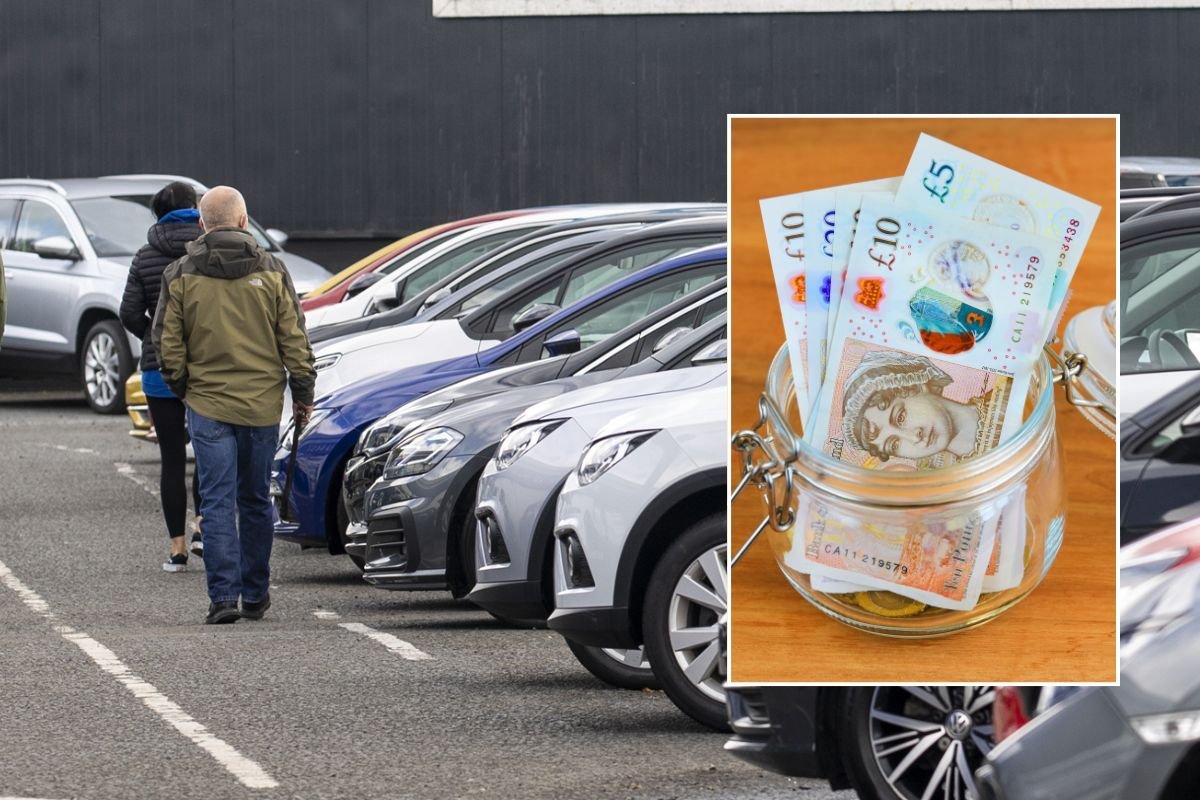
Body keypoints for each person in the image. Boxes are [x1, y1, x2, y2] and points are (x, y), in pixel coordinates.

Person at [152, 186, 315, 625]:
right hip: (261, 404)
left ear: (203, 225)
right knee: (256, 499)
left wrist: (183, 386)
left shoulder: (181, 273)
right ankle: (256, 594)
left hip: (207, 403)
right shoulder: (273, 270)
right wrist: (302, 392)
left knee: (217, 501)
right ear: (244, 221)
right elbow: (294, 340)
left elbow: (166, 342)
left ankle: (223, 597)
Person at [119, 182, 204, 572]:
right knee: (208, 453)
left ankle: (176, 549)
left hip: (158, 370)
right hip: (207, 367)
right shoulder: (207, 250)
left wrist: (154, 339)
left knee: (171, 459)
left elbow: (129, 313)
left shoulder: (144, 255)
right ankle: (204, 527)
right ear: (195, 208)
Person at [841, 349, 989, 465]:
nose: (913, 437)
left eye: (900, 417)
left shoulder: (1003, 400)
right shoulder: (949, 487)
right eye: (894, 445)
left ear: (917, 385)